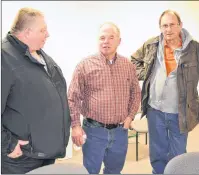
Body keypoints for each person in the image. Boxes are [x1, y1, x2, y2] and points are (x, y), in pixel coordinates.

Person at [1, 7, 71, 174]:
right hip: (21, 158)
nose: (47, 34)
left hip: (46, 153)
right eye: (43, 30)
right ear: (27, 32)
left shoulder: (38, 54)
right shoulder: (4, 58)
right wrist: (7, 144)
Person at [131, 10, 199, 174]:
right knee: (158, 151)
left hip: (180, 112)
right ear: (160, 27)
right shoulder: (151, 45)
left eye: (172, 25)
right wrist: (146, 73)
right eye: (164, 26)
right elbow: (133, 61)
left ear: (180, 25)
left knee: (178, 154)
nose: (168, 29)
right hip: (155, 110)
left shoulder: (194, 49)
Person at [68, 22, 141, 174]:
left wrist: (130, 117)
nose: (106, 41)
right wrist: (75, 125)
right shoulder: (84, 65)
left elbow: (135, 93)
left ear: (119, 41)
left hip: (120, 130)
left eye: (111, 37)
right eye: (102, 38)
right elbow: (72, 97)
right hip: (94, 131)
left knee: (114, 171)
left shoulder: (128, 65)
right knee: (90, 171)